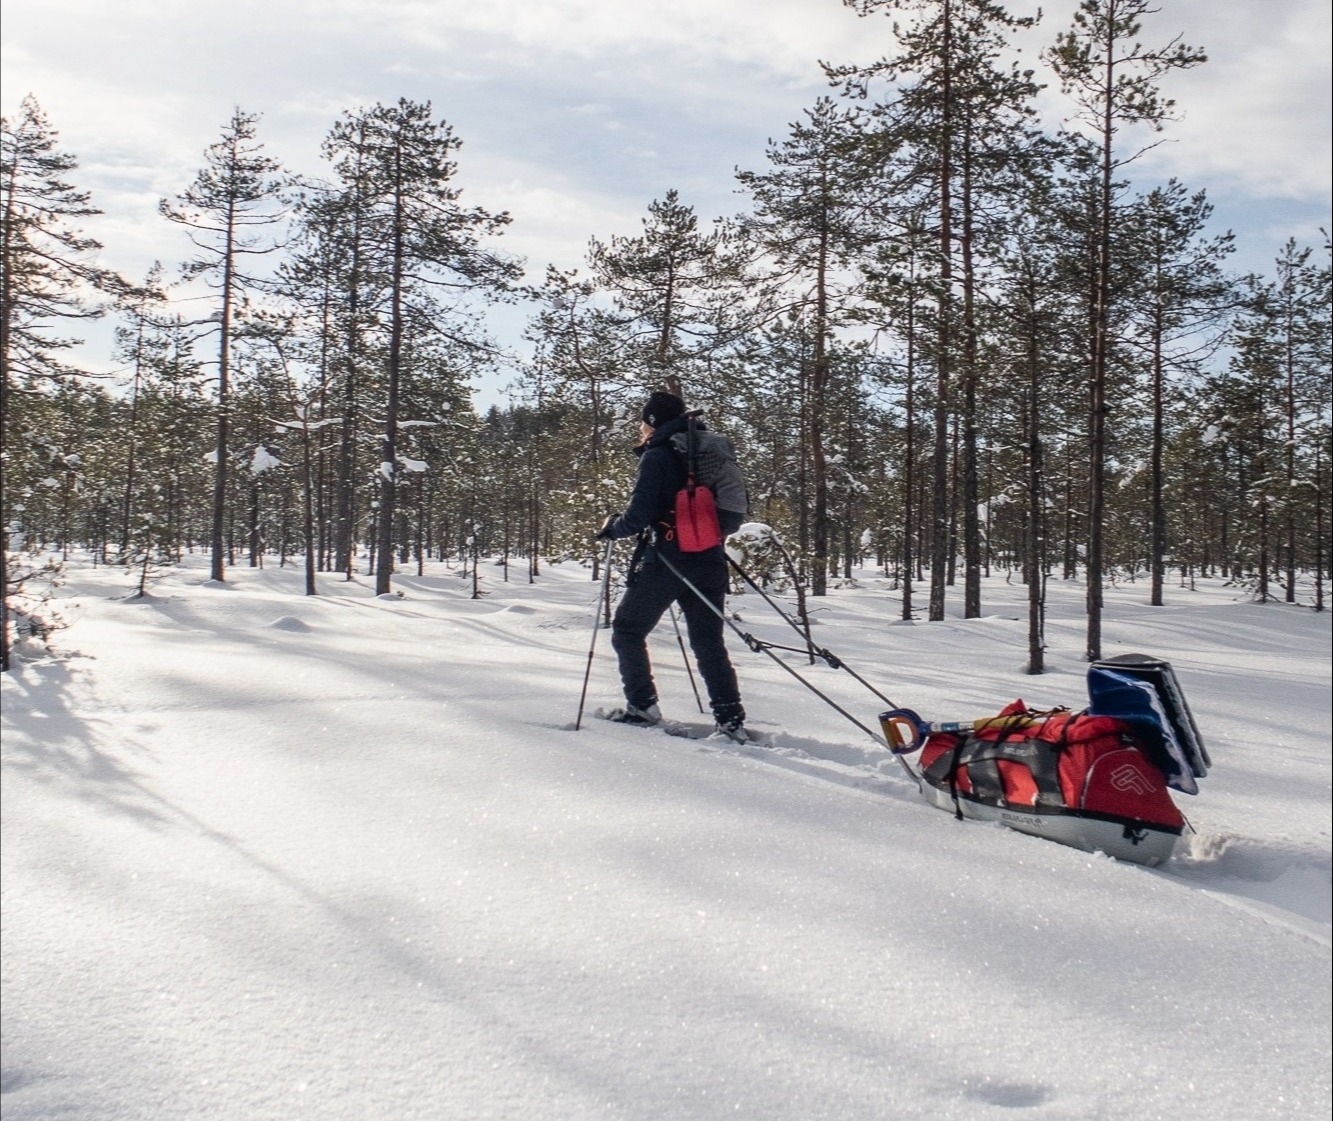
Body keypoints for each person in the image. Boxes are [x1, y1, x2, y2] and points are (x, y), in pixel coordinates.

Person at [596, 390, 747, 739]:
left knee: (628, 631)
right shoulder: (707, 451)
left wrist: (611, 529)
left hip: (666, 560)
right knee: (709, 644)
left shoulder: (658, 456)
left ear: (652, 423)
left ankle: (642, 707)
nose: (640, 430)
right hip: (709, 559)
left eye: (642, 423)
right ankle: (730, 721)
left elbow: (637, 516)